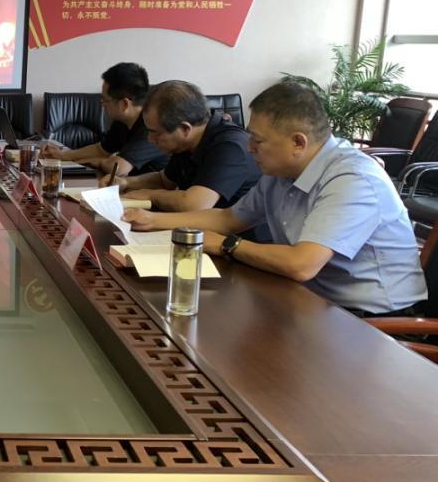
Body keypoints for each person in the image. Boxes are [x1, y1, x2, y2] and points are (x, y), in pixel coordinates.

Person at [124, 81, 426, 316]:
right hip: (311, 300)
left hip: (371, 320)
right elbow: (228, 218)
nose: (249, 147)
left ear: (298, 142)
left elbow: (301, 264)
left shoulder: (353, 179)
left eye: (258, 140)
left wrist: (227, 244)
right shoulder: (280, 171)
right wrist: (152, 221)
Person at [113, 80, 261, 211]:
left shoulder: (230, 147)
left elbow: (194, 204)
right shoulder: (186, 143)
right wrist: (126, 182)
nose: (150, 139)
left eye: (155, 132)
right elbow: (164, 181)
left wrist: (150, 195)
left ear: (185, 128)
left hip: (236, 233)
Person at [42, 62, 167, 178]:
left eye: (105, 100)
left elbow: (118, 168)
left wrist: (98, 162)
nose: (102, 105)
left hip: (155, 192)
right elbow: (101, 150)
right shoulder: (122, 121)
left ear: (124, 104)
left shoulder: (150, 126)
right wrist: (63, 155)